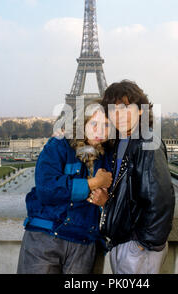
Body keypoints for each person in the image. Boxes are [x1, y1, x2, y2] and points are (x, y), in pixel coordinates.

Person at [17, 102, 113, 274]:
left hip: (82, 241)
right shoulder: (59, 144)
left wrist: (104, 202)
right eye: (94, 124)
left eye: (106, 125)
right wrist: (94, 183)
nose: (100, 131)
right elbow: (47, 189)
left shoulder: (108, 156)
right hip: (47, 237)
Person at [99, 80, 175, 274]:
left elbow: (160, 200)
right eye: (113, 109)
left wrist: (143, 244)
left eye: (125, 107)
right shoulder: (122, 141)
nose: (119, 115)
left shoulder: (147, 142)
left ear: (141, 110)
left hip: (137, 246)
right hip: (124, 241)